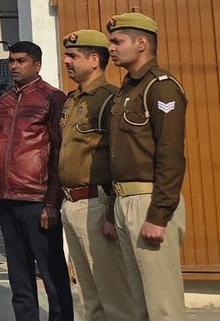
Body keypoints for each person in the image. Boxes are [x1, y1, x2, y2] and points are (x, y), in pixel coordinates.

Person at [106, 13, 189, 321]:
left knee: (162, 305)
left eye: (118, 41)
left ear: (141, 43)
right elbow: (118, 157)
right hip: (125, 200)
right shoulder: (127, 90)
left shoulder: (161, 87)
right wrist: (112, 210)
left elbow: (170, 154)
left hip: (149, 201)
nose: (111, 48)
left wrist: (159, 214)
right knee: (138, 304)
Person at [0, 42, 73, 321]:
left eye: (21, 61)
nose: (14, 66)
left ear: (37, 65)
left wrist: (52, 203)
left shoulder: (52, 98)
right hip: (7, 200)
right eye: (11, 61)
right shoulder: (4, 101)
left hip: (37, 201)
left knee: (52, 275)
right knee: (19, 278)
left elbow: (59, 154)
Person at [59, 30, 137, 321]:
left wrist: (111, 213)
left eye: (73, 56)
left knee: (113, 296)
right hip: (71, 203)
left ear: (94, 60)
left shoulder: (109, 99)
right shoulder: (72, 100)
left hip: (96, 203)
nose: (66, 61)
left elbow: (118, 157)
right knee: (89, 297)